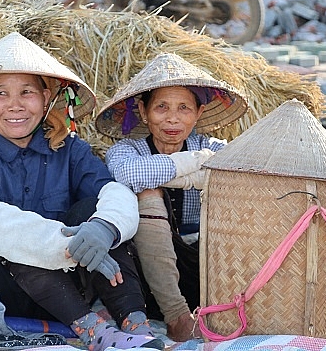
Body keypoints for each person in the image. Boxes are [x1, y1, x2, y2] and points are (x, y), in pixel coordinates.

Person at [0, 32, 165, 351]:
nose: (15, 105)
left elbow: (115, 191)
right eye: (1, 93)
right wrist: (64, 245)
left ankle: (136, 324)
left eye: (27, 92)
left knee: (93, 214)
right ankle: (93, 329)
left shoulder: (71, 150)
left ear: (45, 99)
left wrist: (104, 228)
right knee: (6, 233)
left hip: (56, 293)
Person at [95, 53, 248, 342]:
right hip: (145, 277)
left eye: (184, 108)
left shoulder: (211, 145)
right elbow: (129, 175)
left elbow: (233, 169)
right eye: (161, 107)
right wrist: (198, 164)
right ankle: (177, 317)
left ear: (199, 113)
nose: (173, 119)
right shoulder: (128, 150)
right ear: (143, 111)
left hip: (204, 271)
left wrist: (181, 171)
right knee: (147, 192)